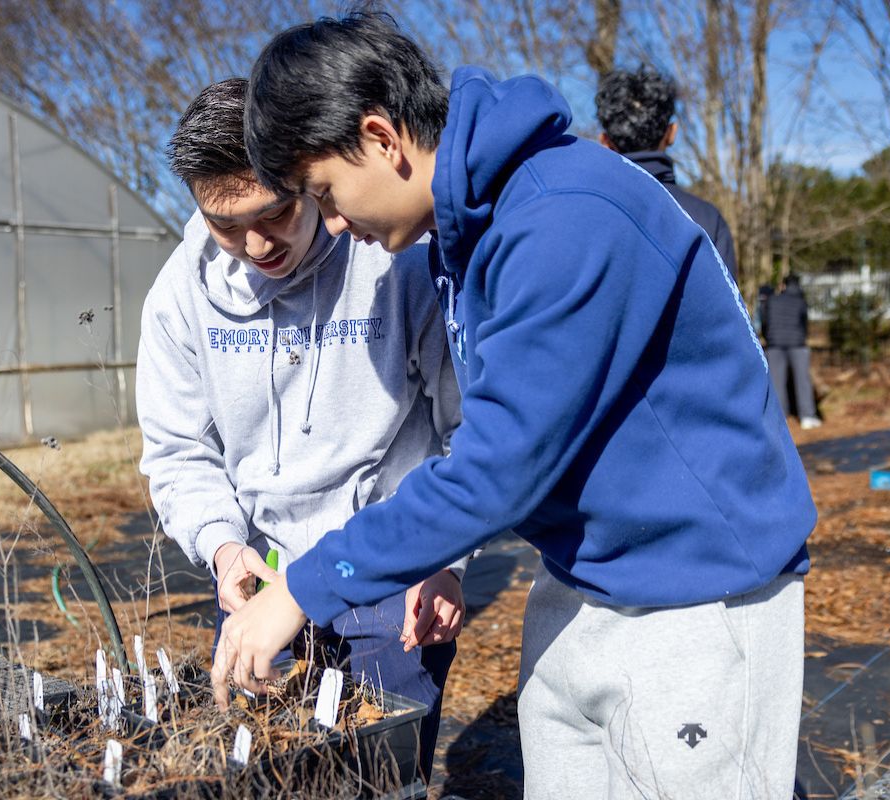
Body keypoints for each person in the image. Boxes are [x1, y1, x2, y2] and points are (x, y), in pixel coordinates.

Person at [213, 13, 817, 798]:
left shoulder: (563, 217)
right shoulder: (467, 230)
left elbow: (499, 465)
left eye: (327, 194)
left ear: (382, 139)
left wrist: (303, 587)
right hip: (586, 578)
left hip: (696, 594)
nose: (335, 226)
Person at [135, 77, 466, 779]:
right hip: (260, 579)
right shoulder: (179, 295)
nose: (255, 244)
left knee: (379, 778)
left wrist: (445, 559)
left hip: (389, 574)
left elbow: (463, 424)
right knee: (273, 778)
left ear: (308, 177)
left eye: (275, 212)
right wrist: (224, 551)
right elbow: (178, 451)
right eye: (225, 225)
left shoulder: (395, 255)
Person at [595, 65, 738, 281]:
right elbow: (729, 311)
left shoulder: (584, 217)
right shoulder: (708, 221)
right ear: (672, 133)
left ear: (604, 142)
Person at [764, 274, 821, 429]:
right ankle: (807, 416)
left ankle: (780, 418)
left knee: (777, 382)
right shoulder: (801, 301)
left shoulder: (772, 300)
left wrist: (769, 338)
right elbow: (804, 324)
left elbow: (765, 322)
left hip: (775, 344)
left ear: (784, 285)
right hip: (797, 344)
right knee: (803, 380)